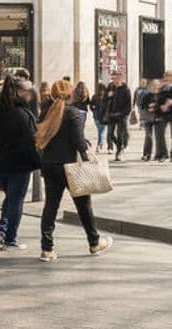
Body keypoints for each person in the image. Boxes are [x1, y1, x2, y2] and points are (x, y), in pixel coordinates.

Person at [34, 80, 113, 262]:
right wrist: (86, 149)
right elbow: (78, 143)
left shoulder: (46, 113)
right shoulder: (73, 114)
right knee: (84, 206)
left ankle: (47, 249)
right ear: (70, 94)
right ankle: (94, 241)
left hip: (50, 165)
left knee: (51, 207)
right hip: (70, 167)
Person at [0, 76, 39, 250]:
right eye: (28, 92)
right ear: (20, 93)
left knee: (10, 197)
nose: (30, 96)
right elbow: (32, 141)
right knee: (16, 200)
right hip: (19, 164)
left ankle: (3, 229)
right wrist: (39, 162)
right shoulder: (23, 115)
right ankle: (10, 238)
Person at [103, 72, 132, 162]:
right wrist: (108, 96)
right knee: (110, 134)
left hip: (121, 115)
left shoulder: (126, 89)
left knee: (120, 135)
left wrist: (124, 114)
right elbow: (104, 100)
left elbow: (128, 105)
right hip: (111, 115)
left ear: (120, 78)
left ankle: (118, 152)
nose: (114, 80)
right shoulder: (110, 87)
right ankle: (120, 146)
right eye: (113, 78)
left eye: (115, 78)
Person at [137, 78, 158, 161]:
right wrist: (149, 107)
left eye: (157, 85)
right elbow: (142, 105)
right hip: (148, 118)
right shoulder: (147, 95)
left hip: (158, 119)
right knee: (149, 136)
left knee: (159, 137)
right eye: (154, 85)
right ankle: (147, 154)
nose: (156, 87)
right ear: (151, 86)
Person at [90, 85, 108, 151]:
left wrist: (94, 111)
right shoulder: (106, 97)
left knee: (100, 131)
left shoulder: (94, 96)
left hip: (96, 115)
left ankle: (100, 145)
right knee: (102, 131)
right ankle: (99, 145)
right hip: (103, 116)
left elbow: (91, 106)